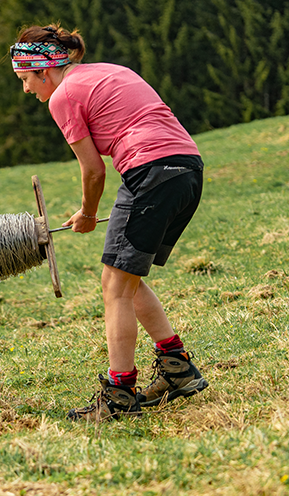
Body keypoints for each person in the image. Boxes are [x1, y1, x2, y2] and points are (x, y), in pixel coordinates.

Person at [10, 24, 208, 422]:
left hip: (150, 173)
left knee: (114, 286)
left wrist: (86, 213)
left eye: (26, 80)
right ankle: (177, 369)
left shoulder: (62, 96)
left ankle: (120, 395)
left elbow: (93, 171)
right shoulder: (109, 70)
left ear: (43, 71)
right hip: (187, 169)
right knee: (127, 280)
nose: (27, 90)